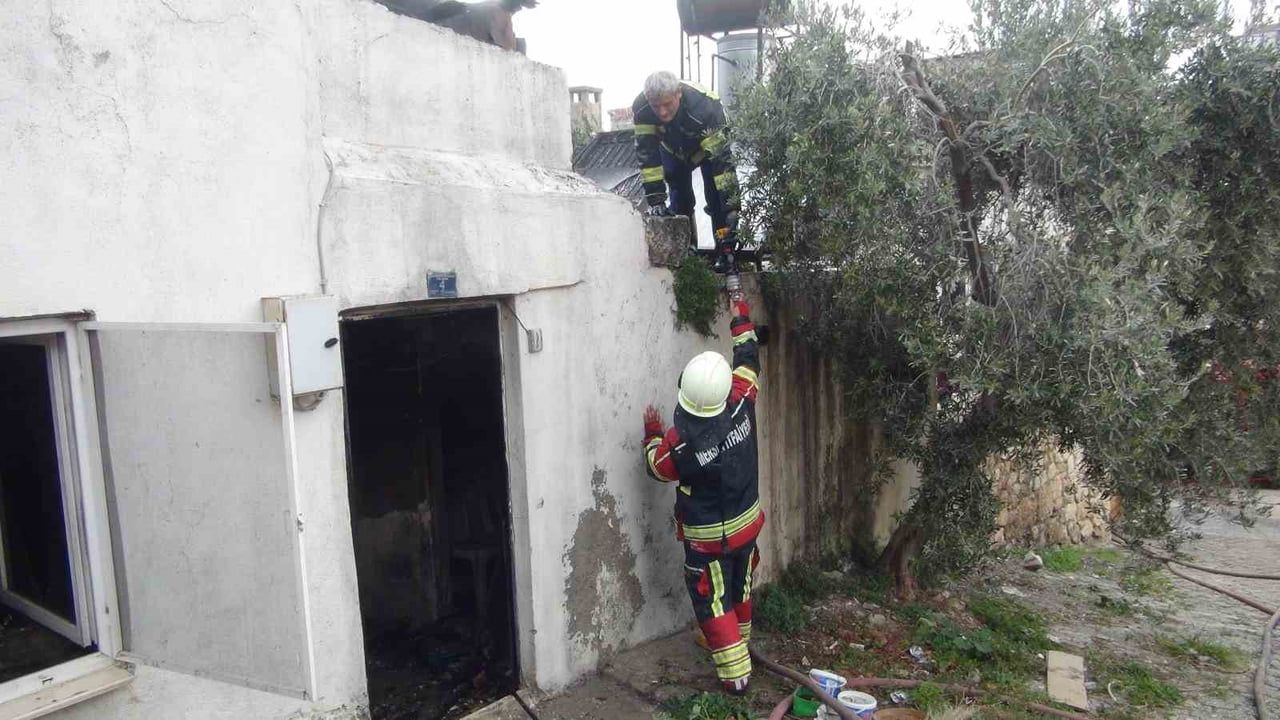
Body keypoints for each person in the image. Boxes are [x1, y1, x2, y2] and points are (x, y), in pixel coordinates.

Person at [642, 297, 762, 695]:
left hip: (708, 539)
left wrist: (652, 434)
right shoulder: (743, 399)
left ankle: (736, 677)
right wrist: (739, 316)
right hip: (747, 524)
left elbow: (657, 467)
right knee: (740, 584)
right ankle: (741, 643)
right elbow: (748, 357)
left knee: (711, 600)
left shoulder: (681, 446)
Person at [632, 71, 741, 271]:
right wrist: (656, 200)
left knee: (716, 197)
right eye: (656, 106)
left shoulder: (705, 107)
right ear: (648, 100)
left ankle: (725, 251)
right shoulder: (641, 109)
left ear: (678, 94)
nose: (662, 113)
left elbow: (721, 163)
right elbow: (647, 156)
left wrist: (731, 206)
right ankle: (688, 253)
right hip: (672, 150)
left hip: (706, 152)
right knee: (680, 199)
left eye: (667, 104)